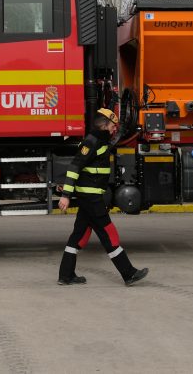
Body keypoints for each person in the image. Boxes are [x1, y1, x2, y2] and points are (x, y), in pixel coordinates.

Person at [57, 108, 149, 287]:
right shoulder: (91, 142)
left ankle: (65, 275)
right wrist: (66, 195)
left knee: (79, 236)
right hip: (91, 198)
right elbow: (75, 167)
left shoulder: (100, 141)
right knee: (109, 234)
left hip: (89, 197)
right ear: (104, 125)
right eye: (113, 126)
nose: (115, 129)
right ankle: (129, 273)